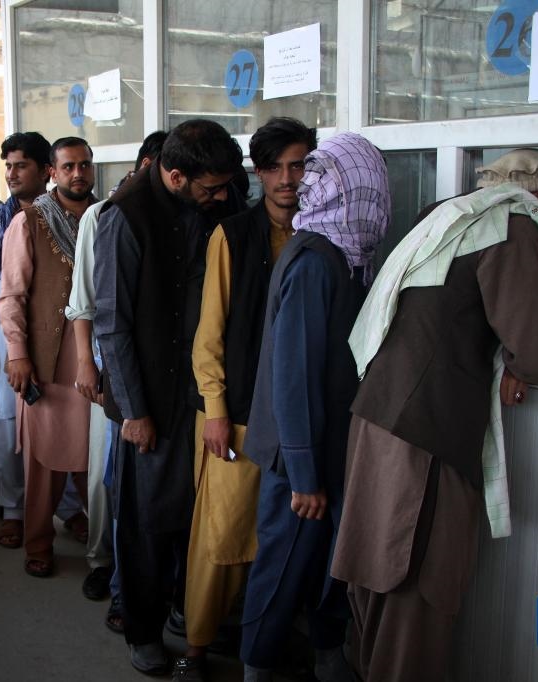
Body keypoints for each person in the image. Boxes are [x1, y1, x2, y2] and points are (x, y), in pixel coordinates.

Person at [331, 148, 538, 682]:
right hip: (426, 430)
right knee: (417, 577)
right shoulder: (512, 224)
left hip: (377, 413)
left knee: (374, 568)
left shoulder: (446, 213)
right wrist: (520, 367)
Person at [238, 132, 390, 682]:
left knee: (330, 565)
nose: (378, 198)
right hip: (298, 454)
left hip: (330, 445)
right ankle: (256, 666)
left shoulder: (347, 256)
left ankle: (327, 654)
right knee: (282, 567)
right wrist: (303, 475)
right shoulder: (315, 261)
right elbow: (293, 377)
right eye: (370, 187)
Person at [94, 119, 243, 675]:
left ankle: (188, 610)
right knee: (146, 523)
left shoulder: (210, 204)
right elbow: (112, 324)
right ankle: (142, 628)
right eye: (211, 188)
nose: (222, 197)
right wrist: (134, 411)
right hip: (150, 401)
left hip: (200, 393)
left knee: (196, 513)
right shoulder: (125, 216)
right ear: (176, 176)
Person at [177, 117, 317, 681]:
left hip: (294, 420)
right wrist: (214, 410)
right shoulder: (231, 236)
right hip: (232, 416)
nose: (288, 179)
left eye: (298, 165)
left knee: (279, 539)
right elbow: (208, 334)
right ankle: (195, 648)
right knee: (221, 539)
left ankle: (261, 641)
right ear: (258, 174)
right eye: (275, 167)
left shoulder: (322, 236)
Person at [0, 132, 84, 549]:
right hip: (17, 346)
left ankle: (72, 511)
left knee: (70, 434)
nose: (12, 174)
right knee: (16, 435)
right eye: (8, 167)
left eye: (21, 166)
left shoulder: (86, 216)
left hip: (72, 348)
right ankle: (19, 516)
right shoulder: (2, 221)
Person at [65, 130, 167, 614]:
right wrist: (86, 363)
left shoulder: (178, 216)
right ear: (147, 166)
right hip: (108, 365)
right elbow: (84, 301)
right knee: (106, 474)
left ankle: (138, 573)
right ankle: (101, 560)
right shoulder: (103, 215)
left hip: (155, 372)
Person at [0, 136, 97, 578]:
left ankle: (101, 541)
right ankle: (38, 543)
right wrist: (18, 354)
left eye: (85, 165)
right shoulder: (29, 223)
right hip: (48, 364)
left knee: (95, 460)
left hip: (97, 361)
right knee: (44, 464)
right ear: (52, 172)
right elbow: (11, 296)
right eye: (68, 166)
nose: (78, 173)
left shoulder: (105, 217)